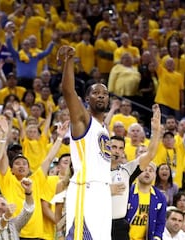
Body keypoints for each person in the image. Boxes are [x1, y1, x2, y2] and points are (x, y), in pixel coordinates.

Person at [58, 44, 111, 239]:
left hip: (103, 193)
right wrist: (69, 60)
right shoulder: (83, 120)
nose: (101, 96)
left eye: (104, 94)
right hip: (85, 189)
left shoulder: (105, 129)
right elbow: (68, 90)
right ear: (87, 98)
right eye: (96, 93)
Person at [110, 104, 161, 240]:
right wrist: (107, 190)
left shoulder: (127, 170)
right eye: (113, 147)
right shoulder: (95, 170)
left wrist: (156, 131)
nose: (116, 150)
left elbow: (150, 154)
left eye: (120, 148)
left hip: (119, 226)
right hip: (98, 222)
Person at [126, 162, 167, 240]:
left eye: (151, 171)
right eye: (144, 170)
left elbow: (160, 222)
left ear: (155, 175)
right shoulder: (128, 192)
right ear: (137, 173)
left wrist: (157, 237)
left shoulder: (160, 197)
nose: (147, 172)